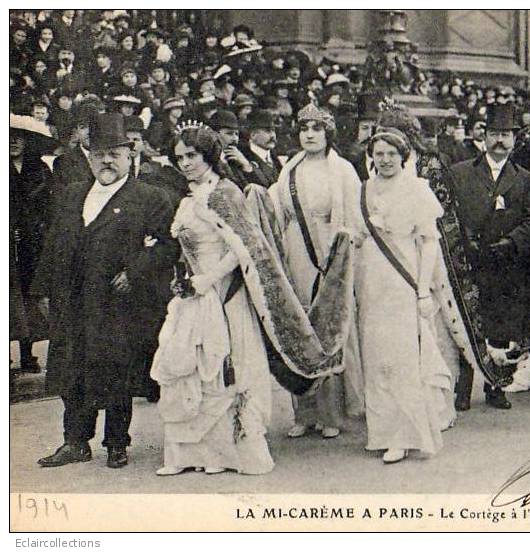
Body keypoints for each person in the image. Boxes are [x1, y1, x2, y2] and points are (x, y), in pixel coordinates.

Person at [32, 113, 178, 469]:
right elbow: (54, 244)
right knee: (72, 372)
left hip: (117, 302)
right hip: (73, 300)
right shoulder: (72, 195)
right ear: (89, 156)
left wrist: (135, 271)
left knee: (116, 372)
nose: (107, 161)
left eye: (114, 153)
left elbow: (167, 245)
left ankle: (116, 443)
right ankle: (75, 442)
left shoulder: (149, 197)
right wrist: (44, 290)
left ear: (129, 155)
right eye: (99, 154)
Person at [151, 124, 277, 476]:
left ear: (209, 155)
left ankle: (231, 454)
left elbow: (242, 248)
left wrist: (210, 279)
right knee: (190, 366)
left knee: (227, 365)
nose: (186, 163)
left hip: (225, 292)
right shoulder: (188, 199)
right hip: (194, 292)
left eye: (192, 155)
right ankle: (191, 454)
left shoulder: (225, 192)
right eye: (180, 158)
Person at [355, 127, 454, 463]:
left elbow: (429, 243)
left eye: (391, 154)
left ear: (403, 156)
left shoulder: (416, 189)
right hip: (370, 282)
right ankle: (381, 432)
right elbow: (357, 233)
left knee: (402, 358)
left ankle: (405, 434)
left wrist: (423, 289)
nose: (384, 160)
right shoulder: (364, 189)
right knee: (376, 356)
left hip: (403, 281)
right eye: (378, 154)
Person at [267, 103, 364, 439]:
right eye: (304, 129)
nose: (309, 135)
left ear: (328, 133)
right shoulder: (288, 170)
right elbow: (276, 212)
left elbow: (354, 219)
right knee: (299, 324)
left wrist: (340, 255)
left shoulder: (343, 171)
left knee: (329, 326)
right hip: (296, 251)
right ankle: (303, 412)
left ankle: (330, 414)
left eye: (316, 129)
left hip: (330, 251)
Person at [445, 103, 530, 410]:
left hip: (506, 263)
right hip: (470, 261)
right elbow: (450, 214)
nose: (500, 141)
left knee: (500, 325)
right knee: (467, 320)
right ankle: (463, 389)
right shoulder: (460, 173)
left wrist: (511, 242)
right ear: (484, 137)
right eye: (494, 134)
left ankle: (497, 385)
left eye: (506, 135)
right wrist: (465, 243)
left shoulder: (525, 179)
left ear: (514, 140)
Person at [10, 115, 57, 374]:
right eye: (8, 137)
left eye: (19, 137)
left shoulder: (39, 169)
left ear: (28, 141)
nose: (14, 142)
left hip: (34, 244)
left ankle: (28, 354)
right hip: (8, 244)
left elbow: (51, 207)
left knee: (31, 297)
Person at [242, 109, 283, 183]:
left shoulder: (275, 158)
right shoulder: (244, 157)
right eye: (267, 131)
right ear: (253, 135)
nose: (273, 135)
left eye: (274, 130)